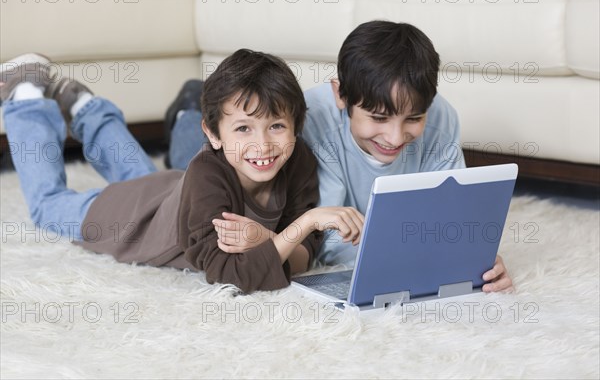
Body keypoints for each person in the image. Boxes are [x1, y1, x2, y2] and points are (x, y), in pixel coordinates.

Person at [163, 21, 513, 293]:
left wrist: (470, 260)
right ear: (340, 96)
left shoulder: (442, 118)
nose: (394, 137)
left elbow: (455, 218)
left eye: (414, 119)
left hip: (255, 171)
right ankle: (187, 113)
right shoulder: (307, 121)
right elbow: (325, 241)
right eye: (378, 118)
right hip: (228, 166)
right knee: (194, 168)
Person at [0, 49, 364, 293]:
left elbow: (301, 261)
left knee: (141, 176)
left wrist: (267, 241)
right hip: (130, 222)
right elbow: (231, 274)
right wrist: (303, 225)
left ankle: (84, 106)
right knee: (49, 205)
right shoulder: (208, 173)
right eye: (243, 129)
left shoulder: (296, 158)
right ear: (212, 134)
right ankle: (25, 98)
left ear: (296, 126)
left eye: (277, 127)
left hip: (174, 191)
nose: (263, 145)